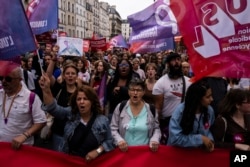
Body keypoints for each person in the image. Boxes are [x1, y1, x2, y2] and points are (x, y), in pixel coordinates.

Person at [39, 73, 114, 161]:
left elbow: (109, 141)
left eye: (85, 99)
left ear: (92, 102)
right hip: (70, 162)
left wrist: (97, 151)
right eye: (79, 99)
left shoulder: (102, 121)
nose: (81, 102)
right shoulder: (70, 114)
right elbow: (53, 109)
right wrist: (46, 89)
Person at [0, 66, 46, 149]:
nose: (3, 81)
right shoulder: (0, 94)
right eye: (1, 78)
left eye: (8, 79)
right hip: (2, 148)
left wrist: (25, 136)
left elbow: (41, 121)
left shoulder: (31, 97)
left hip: (20, 148)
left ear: (19, 79)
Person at [110, 78, 161, 152]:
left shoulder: (151, 109)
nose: (135, 93)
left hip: (144, 153)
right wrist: (119, 140)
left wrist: (154, 140)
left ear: (143, 92)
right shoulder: (120, 107)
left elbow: (156, 128)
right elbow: (113, 128)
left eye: (139, 90)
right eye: (132, 90)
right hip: (124, 152)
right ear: (128, 92)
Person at [153, 52, 192, 144]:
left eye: (178, 60)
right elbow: (158, 109)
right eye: (174, 60)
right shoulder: (160, 83)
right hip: (167, 124)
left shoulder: (189, 82)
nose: (177, 62)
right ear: (168, 64)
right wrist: (157, 129)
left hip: (184, 123)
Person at [167, 78, 215, 152]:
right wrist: (200, 139)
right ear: (198, 98)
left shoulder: (209, 111)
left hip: (199, 156)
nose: (211, 99)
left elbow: (208, 130)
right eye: (208, 97)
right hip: (179, 155)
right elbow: (175, 138)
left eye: (211, 95)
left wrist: (210, 141)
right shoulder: (180, 112)